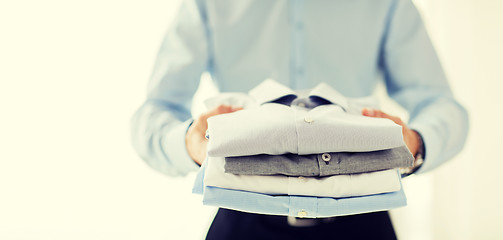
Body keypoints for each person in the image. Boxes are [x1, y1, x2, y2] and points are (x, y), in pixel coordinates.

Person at [131, 0, 469, 239]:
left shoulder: (387, 3)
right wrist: (190, 141)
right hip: (242, 221)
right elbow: (154, 111)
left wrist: (414, 144)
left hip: (361, 222)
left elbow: (443, 107)